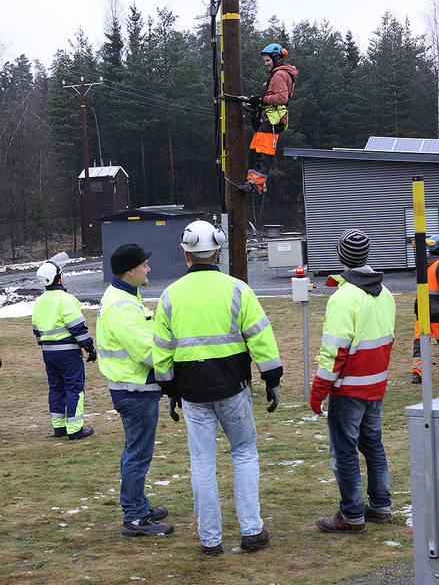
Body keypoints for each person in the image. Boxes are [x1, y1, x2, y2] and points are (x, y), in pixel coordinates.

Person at [152, 220, 283, 555]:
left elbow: (162, 350)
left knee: (202, 463)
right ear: (219, 251)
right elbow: (261, 337)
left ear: (186, 254)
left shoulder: (170, 296)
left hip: (193, 393)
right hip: (233, 388)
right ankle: (252, 531)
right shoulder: (238, 289)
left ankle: (210, 540)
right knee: (243, 453)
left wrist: (168, 390)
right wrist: (272, 379)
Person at [309, 228, 396, 533]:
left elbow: (334, 352)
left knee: (344, 451)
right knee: (373, 444)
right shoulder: (385, 293)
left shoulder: (344, 297)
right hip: (376, 384)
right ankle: (380, 506)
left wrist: (317, 392)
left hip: (348, 389)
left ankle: (352, 515)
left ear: (341, 257)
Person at [96, 243, 173, 537]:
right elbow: (146, 351)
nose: (148, 268)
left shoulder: (126, 296)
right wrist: (176, 364)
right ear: (130, 271)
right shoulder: (122, 305)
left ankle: (138, 505)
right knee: (138, 453)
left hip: (134, 389)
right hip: (135, 390)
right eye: (144, 264)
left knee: (136, 451)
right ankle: (135, 517)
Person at [32, 252, 96, 440]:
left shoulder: (39, 301)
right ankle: (75, 429)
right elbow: (78, 328)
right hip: (68, 354)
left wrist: (45, 346)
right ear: (58, 278)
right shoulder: (66, 300)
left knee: (56, 388)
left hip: (48, 353)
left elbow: (37, 331)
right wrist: (89, 348)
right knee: (74, 388)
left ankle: (59, 427)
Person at [243, 43, 298, 195]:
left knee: (262, 152)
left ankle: (257, 184)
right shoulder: (280, 74)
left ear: (276, 59)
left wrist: (261, 100)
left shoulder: (280, 75)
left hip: (274, 120)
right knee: (255, 148)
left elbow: (281, 97)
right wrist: (257, 104)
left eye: (267, 60)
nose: (265, 64)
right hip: (270, 118)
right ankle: (253, 182)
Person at [411, 235, 439, 384]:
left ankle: (417, 373)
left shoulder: (423, 263)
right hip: (436, 311)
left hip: (422, 308)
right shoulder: (438, 264)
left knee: (420, 342)